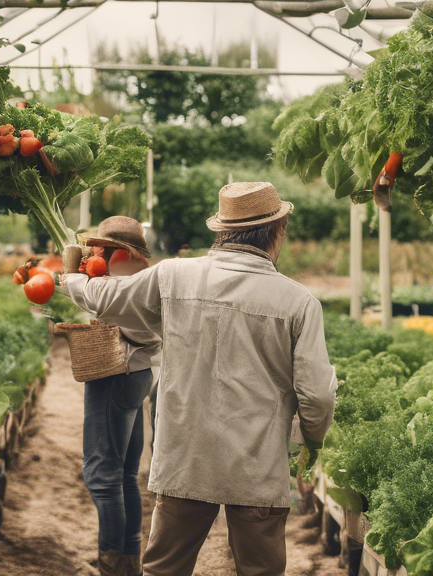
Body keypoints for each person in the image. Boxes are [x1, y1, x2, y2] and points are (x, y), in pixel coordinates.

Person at [61, 182, 337, 576]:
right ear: (278, 231)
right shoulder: (298, 302)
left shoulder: (173, 276)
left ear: (221, 230)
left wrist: (70, 276)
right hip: (257, 467)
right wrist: (310, 439)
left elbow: (107, 298)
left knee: (164, 569)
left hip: (186, 461)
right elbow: (317, 396)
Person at [64, 216, 160, 576]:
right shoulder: (138, 276)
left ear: (119, 251)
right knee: (125, 476)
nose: (94, 252)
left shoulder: (120, 281)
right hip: (136, 376)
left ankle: (112, 565)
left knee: (103, 478)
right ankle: (128, 560)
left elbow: (88, 293)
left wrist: (69, 266)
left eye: (100, 247)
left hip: (114, 376)